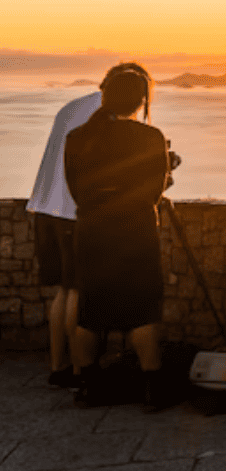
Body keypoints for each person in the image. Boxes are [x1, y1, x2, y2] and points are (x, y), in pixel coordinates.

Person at [26, 63, 151, 386]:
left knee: (63, 292)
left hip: (44, 207)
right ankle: (82, 372)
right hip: (72, 211)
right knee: (79, 292)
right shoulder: (108, 114)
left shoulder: (73, 107)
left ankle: (58, 368)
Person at [64, 67, 170, 410]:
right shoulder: (150, 138)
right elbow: (153, 192)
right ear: (141, 100)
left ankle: (90, 387)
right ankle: (154, 388)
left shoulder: (77, 137)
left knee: (91, 311)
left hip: (92, 231)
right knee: (142, 310)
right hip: (135, 232)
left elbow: (75, 189)